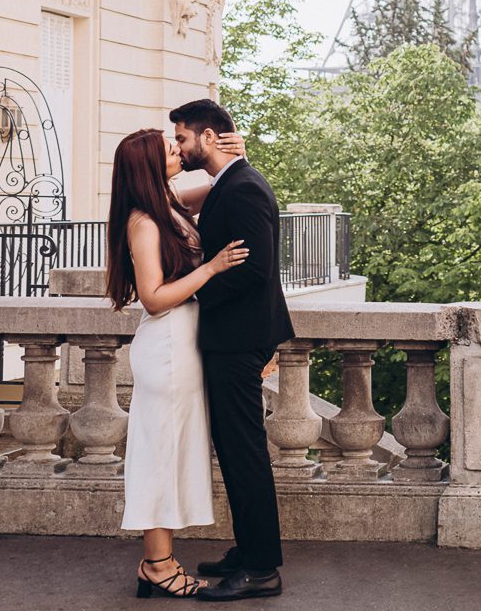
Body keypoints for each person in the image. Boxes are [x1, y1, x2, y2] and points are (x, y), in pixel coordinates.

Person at [106, 126, 248, 599]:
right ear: (149, 165)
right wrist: (211, 268)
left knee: (174, 451)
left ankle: (159, 560)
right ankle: (157, 564)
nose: (179, 151)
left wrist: (228, 152)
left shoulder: (169, 204)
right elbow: (153, 298)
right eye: (170, 150)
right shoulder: (144, 221)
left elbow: (220, 183)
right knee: (159, 455)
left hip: (182, 346)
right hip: (166, 347)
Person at [169, 99, 295, 602]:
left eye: (182, 138)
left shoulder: (242, 188)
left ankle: (262, 567)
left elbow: (255, 269)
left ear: (208, 137)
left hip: (238, 340)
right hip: (236, 337)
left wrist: (197, 289)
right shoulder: (231, 182)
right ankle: (248, 550)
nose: (179, 147)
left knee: (244, 454)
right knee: (236, 449)